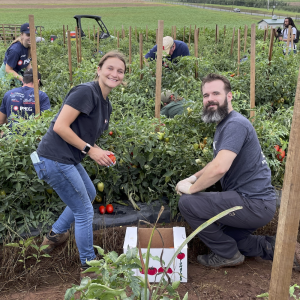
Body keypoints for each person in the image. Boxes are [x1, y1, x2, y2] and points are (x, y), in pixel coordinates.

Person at [31, 50, 126, 278]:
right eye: (110, 68)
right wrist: (91, 150)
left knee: (90, 194)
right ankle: (89, 266)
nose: (115, 73)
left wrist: (100, 152)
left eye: (120, 71)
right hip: (53, 158)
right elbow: (60, 127)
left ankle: (55, 235)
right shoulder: (86, 92)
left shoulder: (106, 104)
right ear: (99, 70)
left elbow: (86, 135)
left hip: (67, 158)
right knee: (84, 210)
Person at [176, 73, 278, 268]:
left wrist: (191, 189)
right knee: (232, 238)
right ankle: (276, 248)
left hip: (252, 202)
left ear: (229, 96)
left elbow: (219, 168)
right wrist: (192, 177)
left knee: (188, 203)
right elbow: (216, 161)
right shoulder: (225, 124)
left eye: (216, 93)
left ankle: (228, 254)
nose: (210, 99)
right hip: (256, 203)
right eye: (206, 95)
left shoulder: (234, 124)